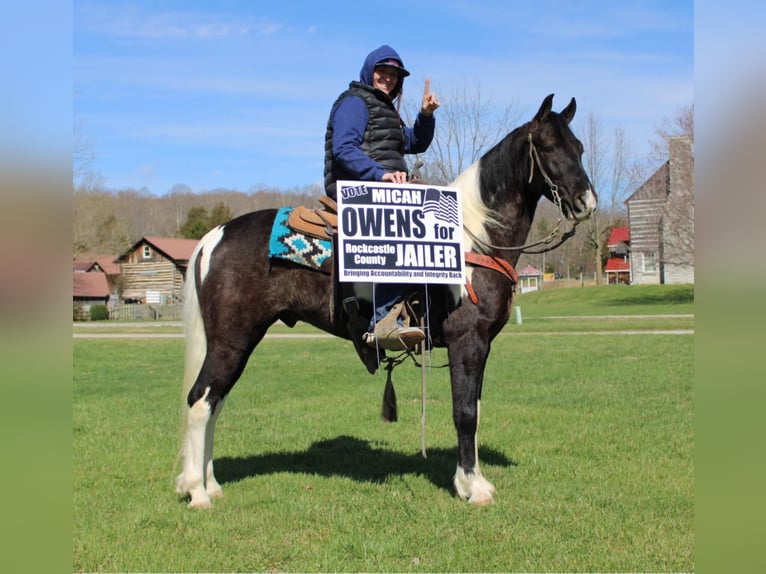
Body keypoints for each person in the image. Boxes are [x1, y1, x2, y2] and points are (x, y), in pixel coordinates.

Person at [324, 44, 440, 351]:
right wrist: (381, 175)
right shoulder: (354, 102)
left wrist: (426, 115)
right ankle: (384, 321)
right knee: (397, 230)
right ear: (369, 71)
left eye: (393, 75)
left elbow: (413, 142)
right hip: (357, 186)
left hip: (385, 186)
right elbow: (344, 148)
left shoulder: (387, 109)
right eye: (382, 72)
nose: (388, 79)